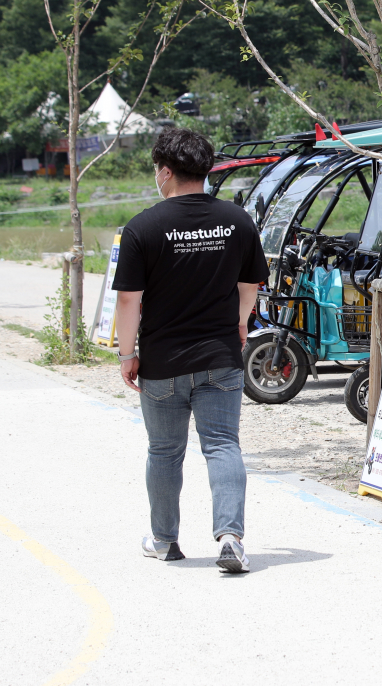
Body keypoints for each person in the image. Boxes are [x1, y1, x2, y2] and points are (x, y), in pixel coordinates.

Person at [113, 127, 269, 574]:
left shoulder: (143, 227)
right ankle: (231, 538)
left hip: (162, 363)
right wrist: (240, 323)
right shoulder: (237, 220)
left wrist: (128, 354)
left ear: (165, 172)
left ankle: (164, 541)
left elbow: (128, 300)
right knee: (222, 445)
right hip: (220, 356)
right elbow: (249, 283)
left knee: (164, 451)